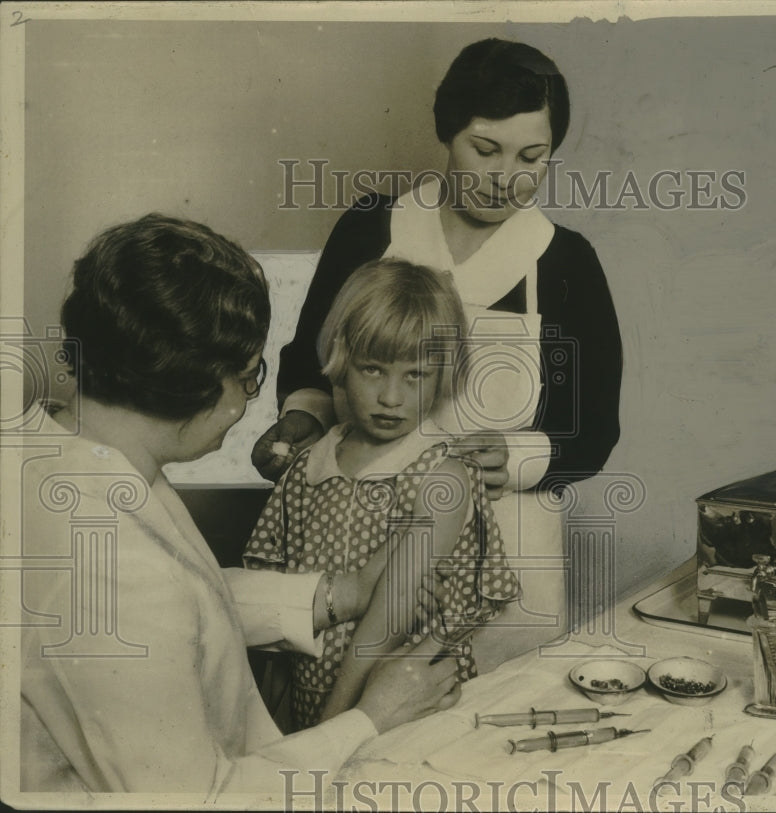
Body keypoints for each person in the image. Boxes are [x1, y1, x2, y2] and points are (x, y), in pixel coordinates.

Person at [19, 215, 461, 795]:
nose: (246, 401)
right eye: (251, 378)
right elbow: (201, 801)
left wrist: (341, 592)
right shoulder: (111, 570)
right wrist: (370, 716)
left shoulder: (56, 448)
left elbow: (187, 601)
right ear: (204, 385)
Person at [251, 39, 624, 664]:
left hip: (507, 547)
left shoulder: (567, 263)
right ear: (446, 133)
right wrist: (301, 421)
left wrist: (519, 455)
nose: (508, 178)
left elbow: (595, 430)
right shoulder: (374, 228)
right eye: (486, 150)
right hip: (361, 536)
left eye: (533, 158)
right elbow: (309, 363)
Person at [243, 259, 520, 731]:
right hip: (310, 712)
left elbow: (390, 617)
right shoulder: (306, 470)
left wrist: (339, 725)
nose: (392, 397)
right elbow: (268, 605)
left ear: (443, 374)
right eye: (373, 370)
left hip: (405, 709)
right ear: (341, 360)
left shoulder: (443, 475)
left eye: (415, 376)